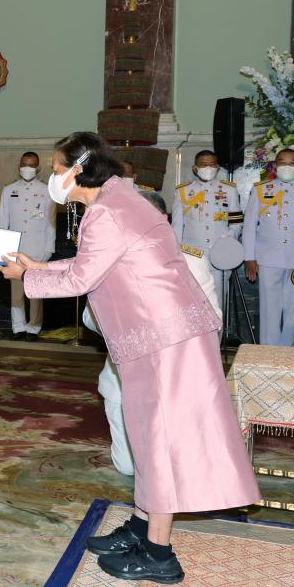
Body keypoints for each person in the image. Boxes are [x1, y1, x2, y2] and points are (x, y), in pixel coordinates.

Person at [0, 131, 259, 583]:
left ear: (79, 169)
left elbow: (82, 278)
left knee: (158, 439)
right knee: (145, 434)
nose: (53, 177)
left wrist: (28, 277)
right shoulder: (119, 199)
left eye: (57, 169)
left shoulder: (106, 213)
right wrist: (37, 267)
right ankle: (142, 526)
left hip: (163, 341)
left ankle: (159, 554)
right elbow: (99, 266)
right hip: (161, 335)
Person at [94, 189, 220, 477]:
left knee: (174, 467)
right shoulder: (107, 260)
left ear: (163, 218)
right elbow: (90, 319)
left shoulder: (191, 261)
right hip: (125, 379)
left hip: (176, 377)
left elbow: (214, 318)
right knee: (129, 467)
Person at [241, 147, 294, 346]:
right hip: (267, 258)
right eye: (282, 162)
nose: (286, 166)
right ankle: (268, 352)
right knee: (269, 309)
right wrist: (249, 257)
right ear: (275, 165)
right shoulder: (261, 189)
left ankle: (290, 351)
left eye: (291, 162)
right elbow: (249, 227)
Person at [172, 149, 244, 314]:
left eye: (211, 165)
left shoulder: (229, 190)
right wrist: (176, 255)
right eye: (204, 165)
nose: (208, 168)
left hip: (220, 255)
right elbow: (176, 226)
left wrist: (229, 237)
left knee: (217, 304)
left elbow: (236, 221)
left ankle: (216, 340)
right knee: (192, 304)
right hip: (192, 256)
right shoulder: (182, 191)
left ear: (217, 167)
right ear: (195, 168)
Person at [0, 151, 55, 341]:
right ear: (19, 166)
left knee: (35, 292)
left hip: (38, 248)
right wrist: (1, 248)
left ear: (38, 168)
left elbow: (50, 222)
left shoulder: (47, 191)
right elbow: (3, 221)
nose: (27, 168)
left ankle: (34, 327)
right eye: (24, 164)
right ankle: (18, 327)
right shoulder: (9, 190)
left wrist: (49, 248)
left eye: (31, 165)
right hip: (15, 248)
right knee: (16, 291)